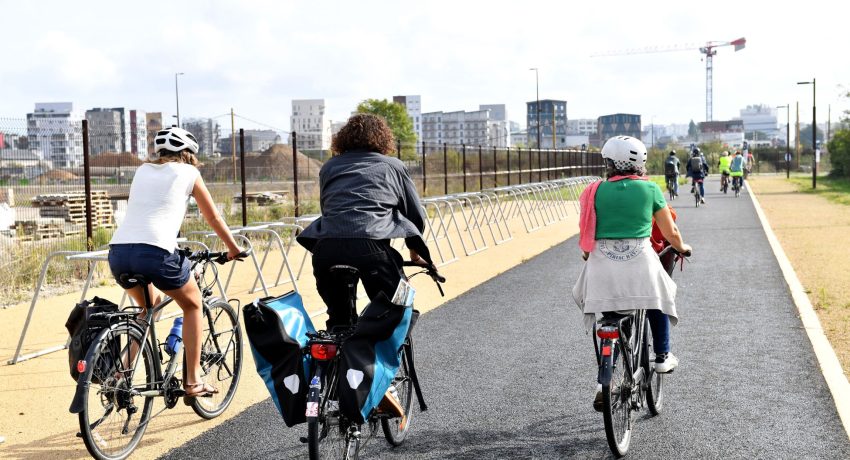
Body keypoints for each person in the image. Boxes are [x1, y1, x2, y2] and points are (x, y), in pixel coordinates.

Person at [296, 113, 431, 420]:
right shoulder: (393, 166)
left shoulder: (329, 167)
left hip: (326, 249)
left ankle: (330, 383)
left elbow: (332, 207)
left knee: (339, 322)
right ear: (382, 139)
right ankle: (382, 383)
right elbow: (414, 214)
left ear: (343, 139)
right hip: (371, 249)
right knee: (396, 310)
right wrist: (414, 248)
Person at [108, 126, 243, 400]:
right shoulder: (189, 173)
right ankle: (193, 381)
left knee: (148, 308)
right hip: (156, 253)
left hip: (119, 253)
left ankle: (120, 373)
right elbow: (213, 217)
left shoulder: (142, 170)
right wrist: (233, 248)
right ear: (188, 154)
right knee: (193, 305)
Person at [572, 136, 692, 410]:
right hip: (639, 262)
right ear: (640, 162)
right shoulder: (650, 190)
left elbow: (587, 235)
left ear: (609, 163)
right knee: (658, 299)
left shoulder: (594, 191)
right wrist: (683, 247)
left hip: (602, 266)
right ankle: (662, 355)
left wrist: (588, 254)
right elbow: (670, 232)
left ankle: (605, 382)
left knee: (611, 319)